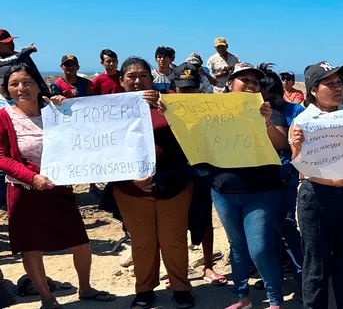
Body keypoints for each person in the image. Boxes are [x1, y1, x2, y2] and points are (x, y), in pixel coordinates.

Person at [0, 65, 114, 309]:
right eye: (14, 84)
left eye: (27, 82)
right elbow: (1, 157)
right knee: (32, 247)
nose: (22, 88)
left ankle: (85, 288)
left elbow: (82, 135)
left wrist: (67, 106)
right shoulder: (5, 117)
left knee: (80, 241)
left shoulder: (53, 111)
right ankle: (47, 298)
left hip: (58, 188)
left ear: (37, 84)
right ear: (7, 90)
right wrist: (32, 178)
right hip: (25, 192)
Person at [110, 57, 195, 309]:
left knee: (174, 240)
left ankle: (181, 288)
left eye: (143, 76)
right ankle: (144, 290)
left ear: (152, 78)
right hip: (129, 188)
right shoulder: (107, 109)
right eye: (131, 76)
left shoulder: (169, 102)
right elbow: (102, 149)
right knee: (142, 242)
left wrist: (165, 109)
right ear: (121, 80)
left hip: (174, 185)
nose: (137, 81)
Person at [290, 61, 343, 309]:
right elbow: (298, 164)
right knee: (316, 267)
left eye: (339, 83)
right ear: (313, 90)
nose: (337, 88)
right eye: (329, 83)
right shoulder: (304, 120)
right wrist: (298, 146)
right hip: (318, 198)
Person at [213, 62, 288, 309]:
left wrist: (266, 123)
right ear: (229, 84)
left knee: (260, 248)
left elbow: (281, 144)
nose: (251, 84)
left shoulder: (269, 112)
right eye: (244, 79)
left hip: (261, 191)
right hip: (223, 189)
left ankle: (275, 300)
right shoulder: (213, 112)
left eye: (255, 81)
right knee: (237, 246)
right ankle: (241, 296)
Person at [165, 62, 228, 286]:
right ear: (174, 87)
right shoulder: (164, 107)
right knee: (175, 223)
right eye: (183, 89)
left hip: (202, 170)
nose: (187, 93)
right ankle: (177, 269)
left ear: (198, 87)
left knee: (204, 219)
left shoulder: (208, 108)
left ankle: (208, 266)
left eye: (191, 88)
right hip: (174, 171)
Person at [259, 64, 305, 292]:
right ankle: (273, 275)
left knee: (287, 226)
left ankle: (301, 277)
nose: (269, 103)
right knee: (266, 230)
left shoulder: (296, 112)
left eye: (273, 98)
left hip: (286, 177)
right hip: (260, 180)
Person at [0, 29, 50, 97]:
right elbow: (8, 61)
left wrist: (46, 95)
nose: (11, 45)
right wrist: (26, 51)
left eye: (11, 41)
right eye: (6, 43)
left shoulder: (23, 56)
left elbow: (37, 77)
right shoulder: (22, 55)